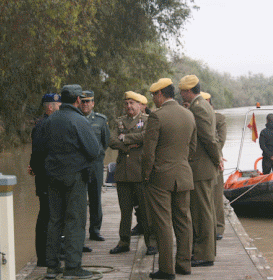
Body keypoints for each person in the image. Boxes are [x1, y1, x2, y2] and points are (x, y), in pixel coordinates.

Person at [40, 84, 100, 279]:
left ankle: (52, 267)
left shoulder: (49, 120)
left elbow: (41, 149)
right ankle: (73, 268)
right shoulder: (80, 121)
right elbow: (93, 150)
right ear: (77, 100)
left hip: (52, 176)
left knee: (54, 220)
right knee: (74, 221)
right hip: (74, 177)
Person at [142, 78, 197, 279]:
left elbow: (148, 153)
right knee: (184, 220)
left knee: (163, 222)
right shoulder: (189, 114)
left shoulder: (157, 117)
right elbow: (192, 147)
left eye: (153, 96)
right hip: (184, 174)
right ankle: (184, 264)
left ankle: (166, 269)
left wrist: (146, 175)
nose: (153, 100)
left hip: (161, 178)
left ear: (159, 94)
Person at [179, 75, 222, 267]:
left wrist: (217, 159)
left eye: (182, 91)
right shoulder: (203, 105)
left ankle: (204, 254)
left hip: (201, 168)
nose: (180, 94)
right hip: (204, 167)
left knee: (202, 213)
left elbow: (209, 139)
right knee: (206, 211)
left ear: (189, 91)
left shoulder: (198, 107)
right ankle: (207, 251)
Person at [108, 91, 156, 255]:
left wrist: (125, 138)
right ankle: (123, 241)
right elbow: (111, 140)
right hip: (123, 172)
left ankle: (151, 243)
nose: (129, 106)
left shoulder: (147, 120)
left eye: (132, 103)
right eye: (126, 103)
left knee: (145, 209)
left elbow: (146, 136)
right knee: (125, 210)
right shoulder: (119, 121)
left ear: (139, 105)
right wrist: (128, 146)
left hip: (140, 171)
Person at [28, 93, 61, 267]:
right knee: (46, 216)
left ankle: (52, 252)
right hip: (46, 178)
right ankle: (43, 257)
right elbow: (38, 154)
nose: (60, 107)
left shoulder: (49, 123)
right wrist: (36, 169)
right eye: (58, 104)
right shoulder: (43, 125)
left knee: (51, 215)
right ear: (50, 107)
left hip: (47, 176)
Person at [79, 90, 110, 242]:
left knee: (95, 198)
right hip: (78, 165)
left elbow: (105, 142)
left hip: (96, 165)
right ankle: (79, 232)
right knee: (79, 199)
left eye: (88, 101)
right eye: (83, 101)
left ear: (93, 103)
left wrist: (96, 156)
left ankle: (95, 230)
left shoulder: (101, 120)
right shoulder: (75, 118)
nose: (85, 104)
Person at [200, 92, 227, 241]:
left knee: (216, 197)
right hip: (198, 163)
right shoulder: (193, 116)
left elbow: (220, 140)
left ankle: (218, 227)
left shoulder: (219, 118)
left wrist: (216, 157)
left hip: (215, 160)